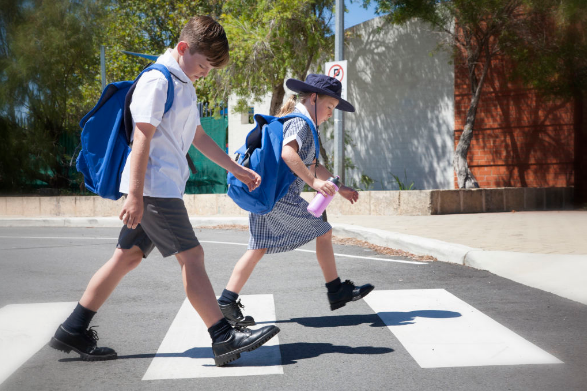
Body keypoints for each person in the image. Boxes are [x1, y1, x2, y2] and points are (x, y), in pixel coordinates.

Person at [48, 16, 279, 367]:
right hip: (154, 189)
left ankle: (73, 328)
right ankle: (223, 337)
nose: (205, 72)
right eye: (203, 64)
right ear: (183, 49)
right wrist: (136, 195)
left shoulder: (183, 82)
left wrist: (237, 169)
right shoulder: (158, 81)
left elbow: (197, 136)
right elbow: (142, 137)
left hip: (161, 187)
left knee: (124, 258)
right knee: (193, 257)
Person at [217, 74, 374, 327]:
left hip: (265, 194)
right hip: (280, 197)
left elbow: (312, 165)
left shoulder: (301, 123)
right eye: (329, 107)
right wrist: (313, 184)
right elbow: (288, 153)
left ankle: (226, 301)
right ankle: (335, 290)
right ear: (313, 98)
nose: (329, 114)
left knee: (257, 247)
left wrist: (340, 187)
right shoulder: (301, 122)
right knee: (324, 231)